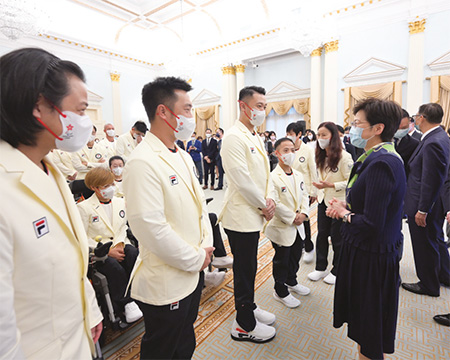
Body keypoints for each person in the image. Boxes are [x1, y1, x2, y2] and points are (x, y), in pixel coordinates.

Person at [0, 47, 102, 359]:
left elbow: (69, 256)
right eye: (80, 110)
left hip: (77, 335)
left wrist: (91, 308)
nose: (84, 122)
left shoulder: (49, 169)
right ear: (40, 106)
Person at [123, 77, 214, 359]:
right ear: (163, 112)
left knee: (185, 340)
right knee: (162, 348)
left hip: (193, 270)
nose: (191, 117)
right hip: (167, 280)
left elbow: (199, 210)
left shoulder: (182, 155)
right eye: (187, 109)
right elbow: (150, 228)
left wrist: (205, 251)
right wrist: (197, 258)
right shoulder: (142, 161)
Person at [327, 97, 407, 360]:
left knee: (369, 329)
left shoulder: (383, 163)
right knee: (365, 325)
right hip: (368, 250)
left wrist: (344, 214)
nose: (351, 128)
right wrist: (348, 202)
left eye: (357, 123)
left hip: (371, 256)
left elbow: (373, 223)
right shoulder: (374, 156)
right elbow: (373, 201)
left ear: (377, 128)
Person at [219, 86, 277, 343]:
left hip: (253, 212)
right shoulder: (233, 137)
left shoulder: (253, 134)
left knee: (250, 267)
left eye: (265, 106)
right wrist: (264, 205)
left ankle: (249, 308)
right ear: (243, 106)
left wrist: (270, 199)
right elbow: (241, 179)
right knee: (244, 270)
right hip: (240, 216)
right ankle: (243, 324)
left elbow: (263, 174)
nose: (263, 111)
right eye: (259, 106)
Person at [78, 167, 142, 323]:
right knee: (113, 266)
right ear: (94, 188)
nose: (111, 188)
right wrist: (108, 251)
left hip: (120, 242)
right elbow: (82, 237)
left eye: (111, 184)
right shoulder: (84, 208)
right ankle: (126, 303)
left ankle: (139, 296)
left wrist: (119, 243)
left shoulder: (120, 202)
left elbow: (122, 227)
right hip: (100, 252)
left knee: (134, 254)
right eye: (105, 186)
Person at [402, 103, 450, 297]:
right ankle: (444, 275)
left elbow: (431, 180)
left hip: (424, 204)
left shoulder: (433, 142)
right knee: (435, 240)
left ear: (421, 117)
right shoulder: (439, 137)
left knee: (424, 245)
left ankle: (428, 284)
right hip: (431, 203)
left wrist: (422, 210)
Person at [264, 138, 310, 309]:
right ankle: (280, 290)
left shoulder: (298, 174)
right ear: (277, 153)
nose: (290, 153)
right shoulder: (272, 177)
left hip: (298, 224)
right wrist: (292, 217)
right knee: (282, 259)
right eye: (285, 150)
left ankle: (292, 280)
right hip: (282, 225)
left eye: (292, 149)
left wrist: (304, 213)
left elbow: (304, 195)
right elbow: (274, 201)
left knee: (296, 254)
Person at [308, 122, 353, 285]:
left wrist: (332, 185)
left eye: (324, 135)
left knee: (337, 237)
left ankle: (337, 269)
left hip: (338, 202)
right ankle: (320, 267)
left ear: (333, 136)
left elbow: (351, 181)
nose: (320, 138)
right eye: (318, 135)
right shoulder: (319, 155)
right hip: (322, 200)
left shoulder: (344, 156)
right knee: (321, 235)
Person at [286, 121, 318, 263]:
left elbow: (313, 171)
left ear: (299, 134)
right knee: (292, 218)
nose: (289, 136)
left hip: (304, 190)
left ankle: (309, 246)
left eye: (291, 134)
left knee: (304, 219)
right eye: (287, 134)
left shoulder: (308, 150)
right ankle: (296, 244)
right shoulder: (287, 148)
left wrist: (314, 192)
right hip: (288, 189)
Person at [394, 109, 419, 173]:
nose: (400, 130)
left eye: (404, 128)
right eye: (397, 128)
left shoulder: (414, 144)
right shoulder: (380, 141)